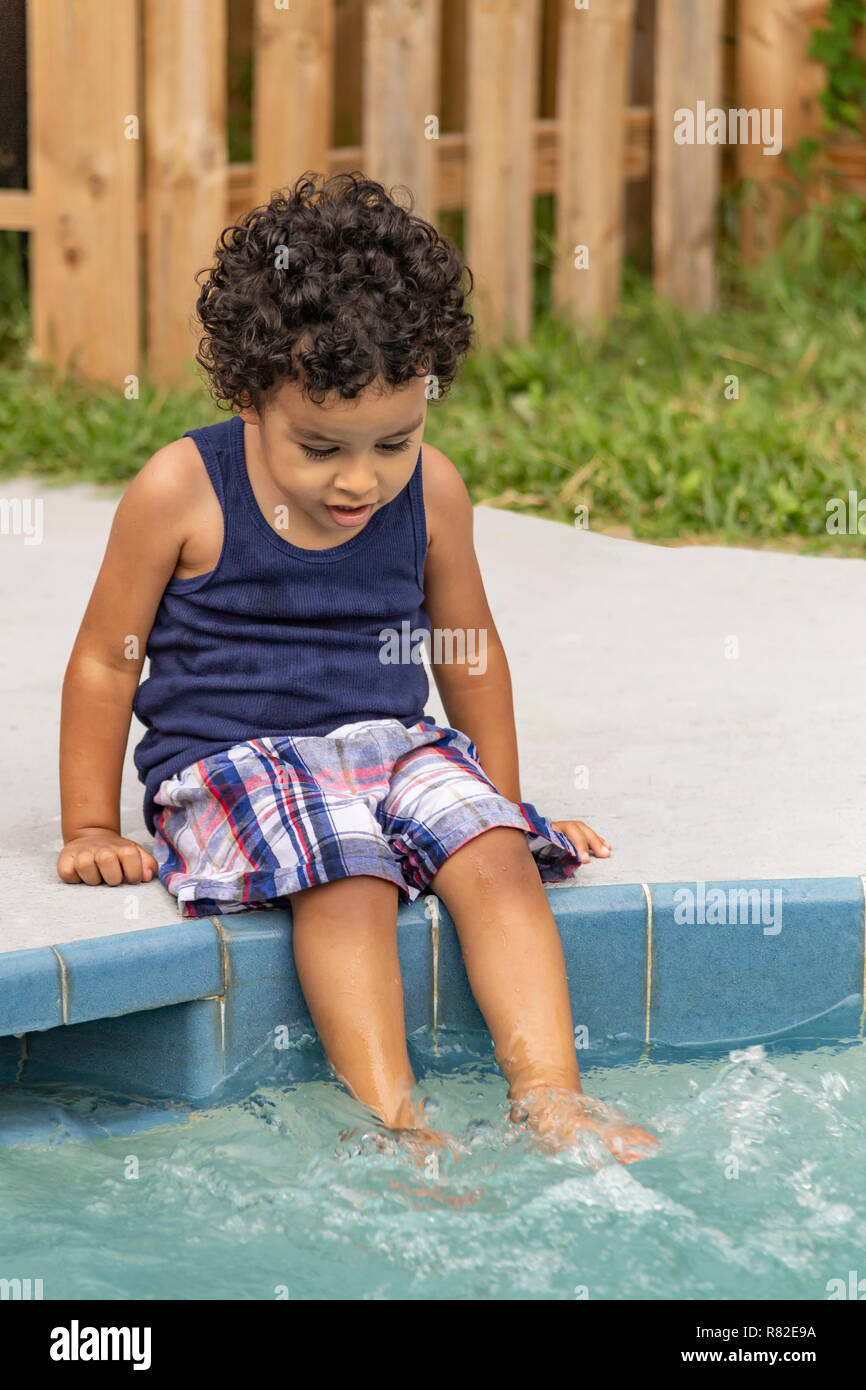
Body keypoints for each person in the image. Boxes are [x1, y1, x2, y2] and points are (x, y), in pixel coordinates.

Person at [58, 172, 658, 1166]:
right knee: (343, 869)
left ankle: (552, 1097)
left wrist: (498, 802)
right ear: (249, 395)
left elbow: (467, 653)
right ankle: (395, 1122)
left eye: (393, 441)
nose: (359, 479)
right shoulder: (181, 489)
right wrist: (88, 824)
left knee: (495, 855)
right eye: (321, 446)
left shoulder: (432, 492)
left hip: (391, 746)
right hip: (233, 759)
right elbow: (101, 660)